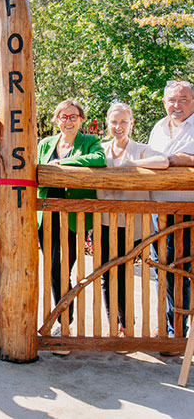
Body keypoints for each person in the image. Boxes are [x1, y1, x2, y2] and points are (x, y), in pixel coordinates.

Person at [37, 99, 106, 353]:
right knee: (55, 271)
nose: (68, 120)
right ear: (56, 119)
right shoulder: (45, 143)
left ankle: (65, 323)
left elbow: (99, 160)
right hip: (46, 219)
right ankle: (62, 320)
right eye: (63, 116)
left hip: (74, 220)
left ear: (81, 119)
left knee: (60, 268)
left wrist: (63, 165)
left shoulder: (89, 142)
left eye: (73, 116)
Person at [96, 102, 168, 336]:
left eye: (123, 122)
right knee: (107, 274)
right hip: (105, 222)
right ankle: (113, 326)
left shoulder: (140, 150)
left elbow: (164, 162)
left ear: (131, 124)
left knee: (125, 273)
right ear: (108, 123)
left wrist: (132, 166)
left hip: (134, 226)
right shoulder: (100, 149)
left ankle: (127, 325)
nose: (118, 127)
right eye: (114, 122)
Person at [148, 80, 194, 340]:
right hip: (159, 211)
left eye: (183, 99)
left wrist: (188, 161)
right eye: (172, 100)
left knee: (182, 270)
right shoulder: (158, 128)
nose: (177, 105)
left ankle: (177, 330)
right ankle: (168, 327)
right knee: (162, 269)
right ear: (164, 102)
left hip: (188, 211)